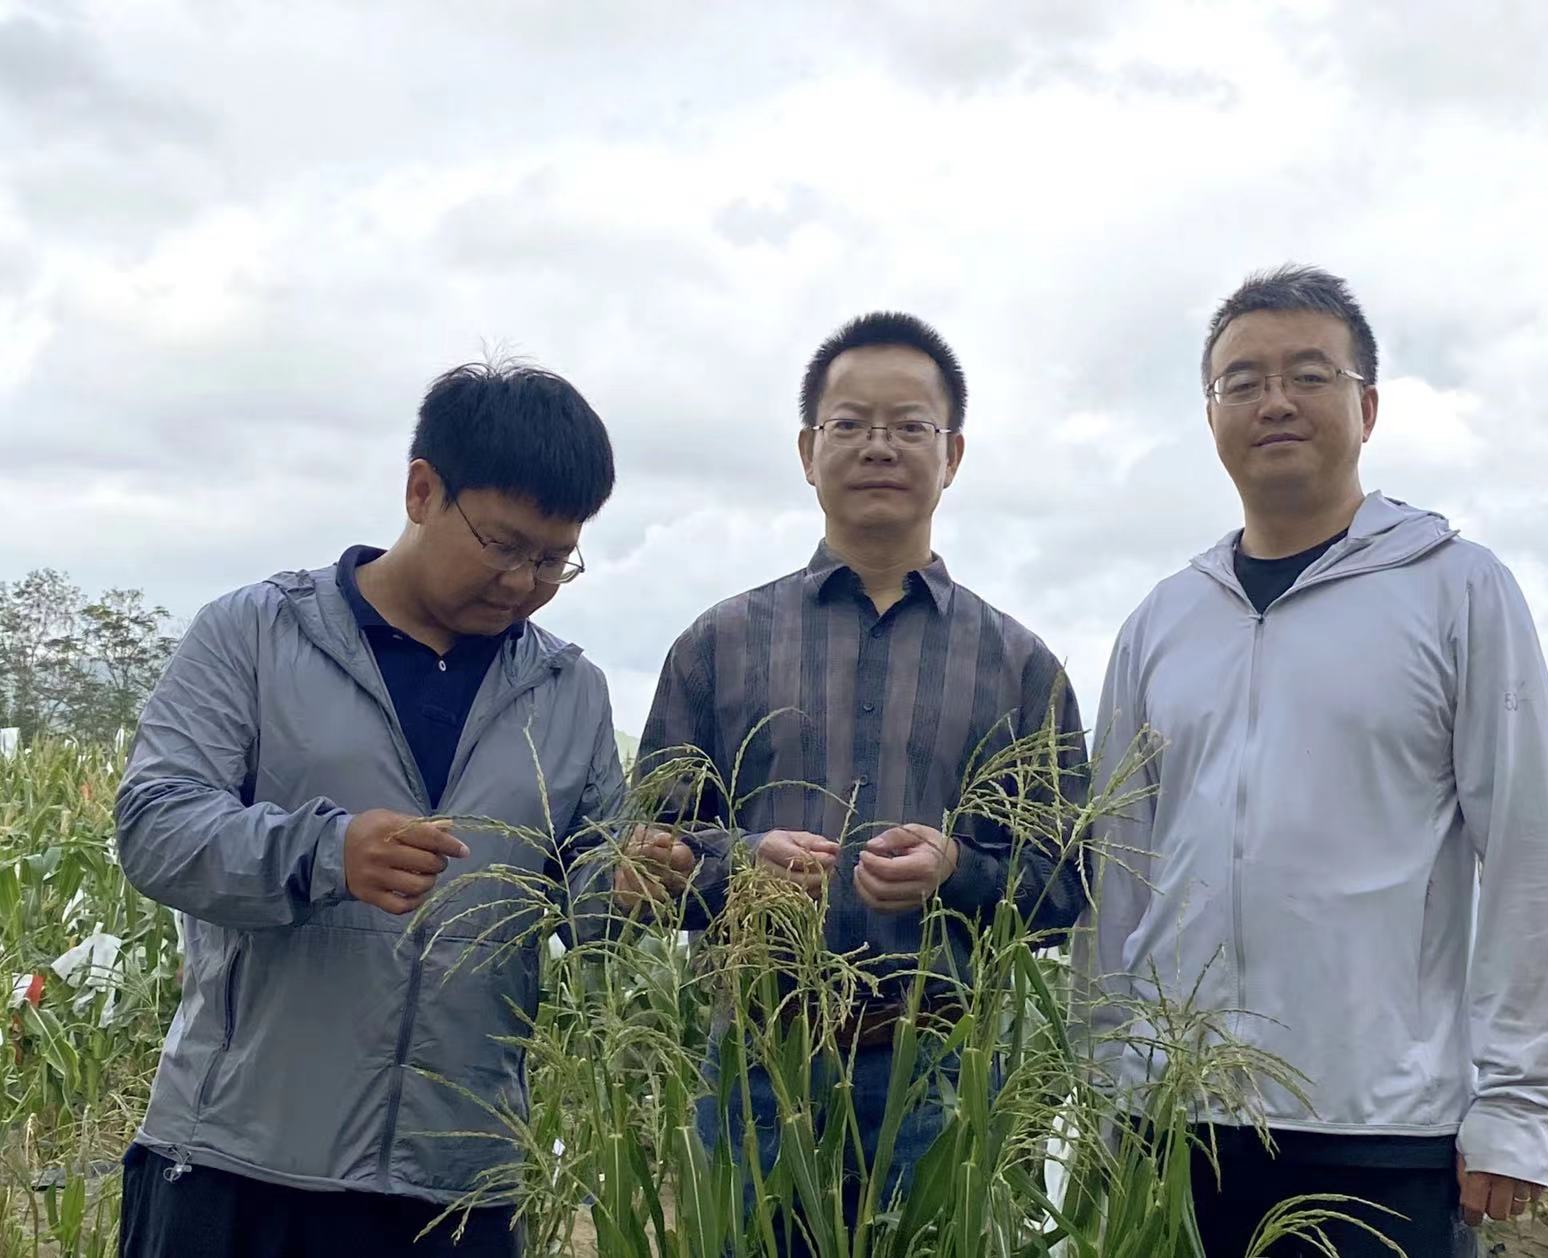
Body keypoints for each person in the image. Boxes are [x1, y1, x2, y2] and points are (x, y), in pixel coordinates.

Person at [1079, 265, 1548, 1257]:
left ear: (1368, 406)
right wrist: (1106, 1078)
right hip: (1176, 1119)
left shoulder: (1456, 589)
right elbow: (1117, 868)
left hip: (1383, 1125)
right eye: (1241, 381)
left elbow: (1529, 847)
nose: (1274, 401)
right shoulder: (1162, 620)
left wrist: (1515, 1105)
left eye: (1309, 375)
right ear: (1210, 415)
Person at [115, 360, 624, 1257]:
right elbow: (155, 825)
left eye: (554, 560)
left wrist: (638, 881)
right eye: (504, 546)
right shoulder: (255, 633)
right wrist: (325, 852)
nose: (523, 582)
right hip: (241, 1161)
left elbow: (585, 891)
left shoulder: (567, 689)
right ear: (422, 491)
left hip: (455, 1184)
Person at [619, 312, 1090, 1243]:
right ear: (808, 450)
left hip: (943, 1076)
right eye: (850, 424)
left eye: (909, 426)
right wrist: (742, 864)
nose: (879, 447)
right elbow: (643, 858)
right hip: (758, 1066)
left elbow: (1065, 882)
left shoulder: (1018, 667)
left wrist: (956, 866)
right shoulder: (719, 644)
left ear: (952, 455)